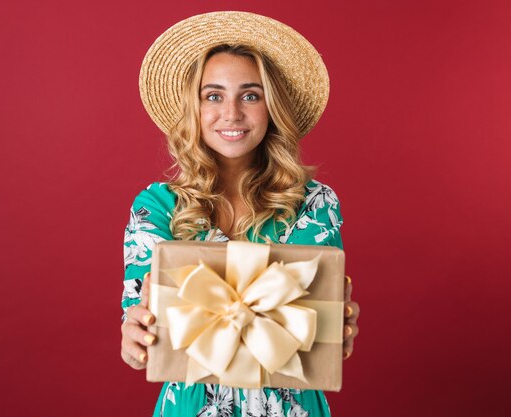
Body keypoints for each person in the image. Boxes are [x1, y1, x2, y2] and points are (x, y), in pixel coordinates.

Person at [121, 11, 360, 417]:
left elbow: (316, 337)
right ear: (193, 108)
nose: (231, 113)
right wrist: (135, 337)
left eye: (250, 95)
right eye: (213, 95)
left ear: (272, 107)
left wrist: (336, 328)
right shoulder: (156, 207)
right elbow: (142, 330)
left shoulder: (315, 203)